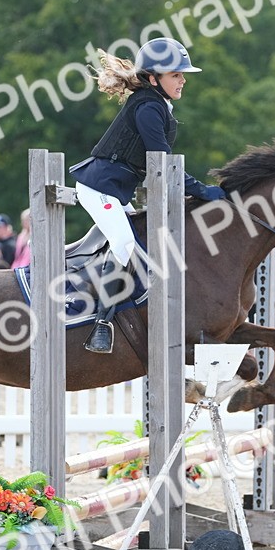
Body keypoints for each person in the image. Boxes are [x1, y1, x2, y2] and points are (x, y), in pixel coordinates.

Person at [69, 37, 226, 353]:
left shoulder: (157, 104)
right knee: (125, 245)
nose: (183, 80)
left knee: (134, 244)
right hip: (100, 188)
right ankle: (101, 325)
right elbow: (163, 163)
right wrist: (202, 191)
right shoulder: (149, 108)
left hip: (114, 191)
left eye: (182, 75)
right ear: (154, 79)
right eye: (176, 75)